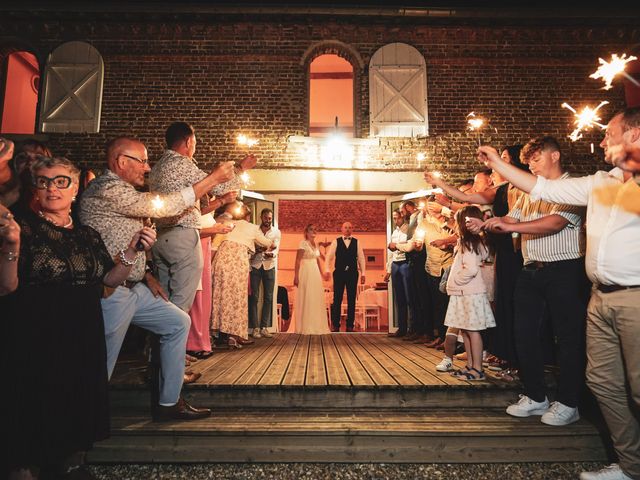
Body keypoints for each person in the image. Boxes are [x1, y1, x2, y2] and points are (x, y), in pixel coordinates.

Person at [477, 108, 640, 480]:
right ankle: (632, 465)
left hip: (634, 296)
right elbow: (542, 189)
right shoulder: (600, 182)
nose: (601, 140)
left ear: (635, 135)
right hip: (601, 296)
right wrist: (497, 165)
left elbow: (555, 217)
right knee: (602, 382)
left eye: (609, 133)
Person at [0, 156, 154, 479]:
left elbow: (109, 280)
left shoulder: (88, 236)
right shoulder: (22, 226)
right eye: (43, 181)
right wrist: (11, 244)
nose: (51, 188)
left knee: (74, 409)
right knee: (32, 418)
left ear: (74, 190)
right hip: (36, 337)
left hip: (82, 336)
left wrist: (133, 248)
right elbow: (7, 285)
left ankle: (70, 465)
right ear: (34, 188)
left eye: (60, 181)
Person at [80, 136, 232, 421]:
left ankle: (168, 403)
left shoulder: (123, 191)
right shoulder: (106, 189)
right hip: (110, 290)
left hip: (135, 287)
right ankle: (79, 431)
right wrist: (212, 179)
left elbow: (127, 236)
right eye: (142, 161)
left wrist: (147, 273)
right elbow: (164, 206)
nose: (148, 168)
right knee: (100, 364)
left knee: (177, 321)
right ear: (122, 162)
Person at [475, 137, 590, 428]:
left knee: (567, 338)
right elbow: (511, 218)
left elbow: (554, 223)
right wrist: (487, 223)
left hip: (564, 268)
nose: (532, 167)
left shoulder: (571, 187)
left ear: (555, 156)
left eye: (536, 161)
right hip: (530, 270)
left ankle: (568, 402)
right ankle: (535, 395)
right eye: (528, 164)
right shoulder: (528, 193)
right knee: (523, 333)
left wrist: (510, 225)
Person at [149, 121, 253, 312]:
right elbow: (220, 186)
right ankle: (174, 338)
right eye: (195, 142)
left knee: (163, 297)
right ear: (188, 142)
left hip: (160, 236)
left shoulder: (156, 168)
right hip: (182, 235)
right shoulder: (182, 164)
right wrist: (241, 168)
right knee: (180, 301)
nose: (195, 147)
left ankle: (157, 340)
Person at [442, 205, 495, 381]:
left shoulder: (469, 243)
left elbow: (471, 269)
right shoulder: (470, 242)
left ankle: (477, 369)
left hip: (470, 292)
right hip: (465, 293)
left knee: (473, 332)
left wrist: (456, 280)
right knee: (465, 331)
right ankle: (470, 365)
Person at [211, 201, 274, 348]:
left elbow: (215, 246)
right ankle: (234, 336)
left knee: (219, 297)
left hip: (222, 259)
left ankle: (214, 334)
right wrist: (271, 244)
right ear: (248, 217)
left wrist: (209, 266)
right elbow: (266, 242)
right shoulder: (251, 227)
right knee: (238, 300)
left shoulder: (226, 223)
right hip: (238, 261)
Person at [324, 221, 366, 332]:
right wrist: (327, 270)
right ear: (342, 229)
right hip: (339, 273)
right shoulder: (336, 241)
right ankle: (335, 324)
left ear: (352, 230)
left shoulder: (357, 242)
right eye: (345, 227)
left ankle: (350, 325)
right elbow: (329, 257)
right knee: (337, 298)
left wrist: (363, 273)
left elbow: (361, 258)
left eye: (350, 228)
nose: (347, 229)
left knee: (352, 299)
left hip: (352, 273)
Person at [249, 208, 281, 338]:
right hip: (255, 265)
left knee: (268, 297)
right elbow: (250, 246)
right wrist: (256, 250)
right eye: (266, 218)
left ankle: (264, 327)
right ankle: (255, 327)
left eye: (270, 218)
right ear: (261, 217)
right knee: (254, 297)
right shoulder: (255, 230)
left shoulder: (276, 232)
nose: (268, 220)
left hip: (269, 266)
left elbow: (276, 248)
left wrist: (271, 254)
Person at [294, 223, 330, 335]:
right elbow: (298, 260)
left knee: (315, 298)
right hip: (306, 273)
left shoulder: (316, 245)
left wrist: (323, 274)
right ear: (306, 232)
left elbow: (318, 260)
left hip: (315, 274)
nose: (313, 231)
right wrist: (296, 276)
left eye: (315, 229)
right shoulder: (303, 243)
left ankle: (316, 325)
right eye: (311, 229)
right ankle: (305, 326)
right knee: (307, 297)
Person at [385, 209, 412, 337]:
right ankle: (401, 328)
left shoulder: (408, 229)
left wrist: (397, 245)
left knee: (409, 297)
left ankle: (412, 328)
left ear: (403, 217)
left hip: (405, 263)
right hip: (395, 264)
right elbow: (390, 253)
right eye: (394, 218)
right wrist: (388, 270)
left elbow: (407, 245)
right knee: (399, 298)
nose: (396, 221)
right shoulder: (394, 232)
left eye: (397, 218)